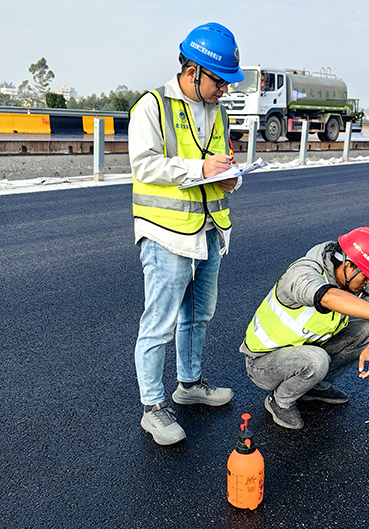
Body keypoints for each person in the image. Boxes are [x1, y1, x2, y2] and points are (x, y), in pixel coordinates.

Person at [129, 22, 246, 446]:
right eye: (219, 80)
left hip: (210, 229)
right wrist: (200, 170)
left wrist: (230, 178)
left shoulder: (219, 111)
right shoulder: (151, 106)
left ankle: (190, 384)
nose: (224, 90)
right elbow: (143, 165)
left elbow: (220, 164)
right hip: (166, 233)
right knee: (158, 323)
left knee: (199, 314)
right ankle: (153, 407)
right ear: (193, 70)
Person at [238, 227, 369, 429]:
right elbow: (327, 296)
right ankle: (280, 401)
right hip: (263, 363)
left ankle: (313, 388)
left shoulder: (352, 282)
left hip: (304, 351)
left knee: (365, 330)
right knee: (316, 360)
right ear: (348, 265)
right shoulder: (303, 273)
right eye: (366, 276)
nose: (368, 282)